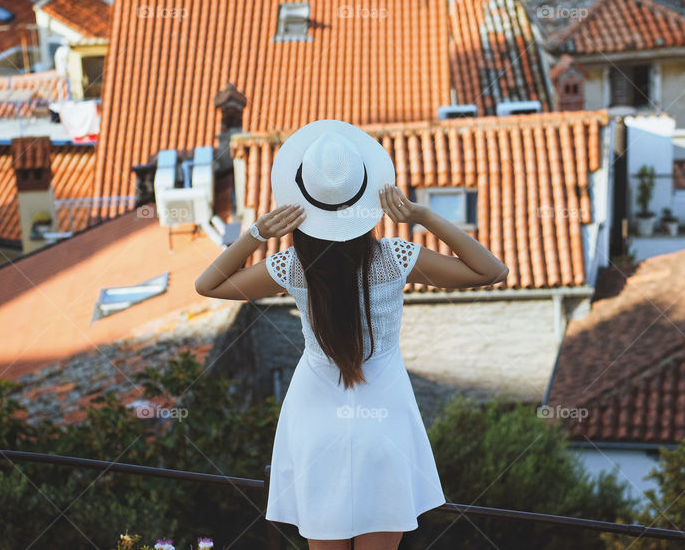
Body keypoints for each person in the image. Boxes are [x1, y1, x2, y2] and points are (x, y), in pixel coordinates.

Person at [195, 119, 508, 549]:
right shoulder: (396, 258)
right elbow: (492, 271)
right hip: (385, 422)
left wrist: (257, 233)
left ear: (303, 200)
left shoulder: (291, 267)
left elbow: (207, 284)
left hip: (314, 424)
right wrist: (424, 216)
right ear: (365, 195)